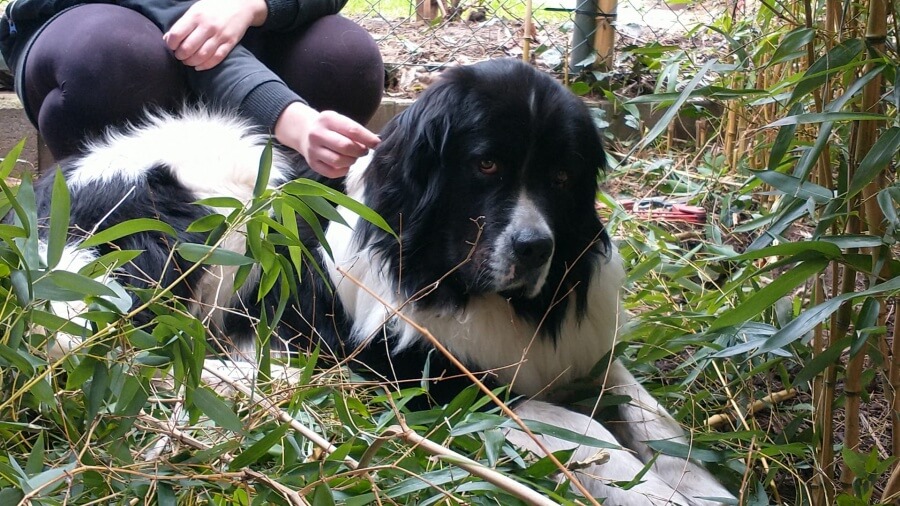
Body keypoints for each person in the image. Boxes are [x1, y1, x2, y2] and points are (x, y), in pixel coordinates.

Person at [0, 0, 384, 178]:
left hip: (234, 19)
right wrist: (289, 117)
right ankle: (115, 258)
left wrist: (255, 5)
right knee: (113, 59)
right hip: (92, 24)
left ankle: (282, 256)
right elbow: (177, 18)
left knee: (343, 57)